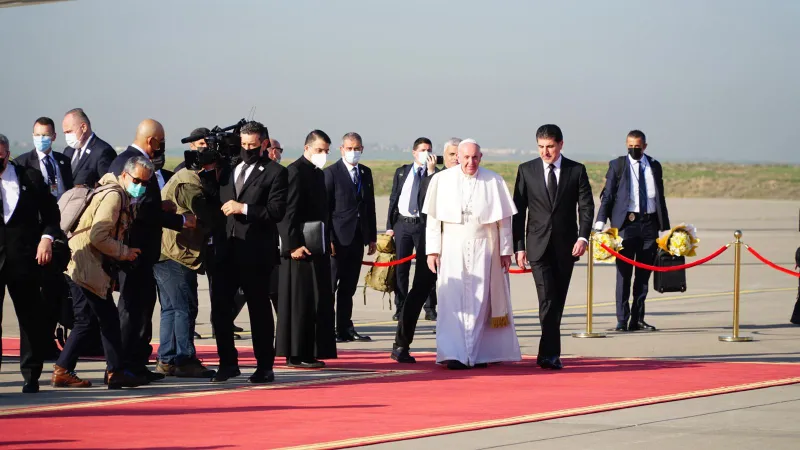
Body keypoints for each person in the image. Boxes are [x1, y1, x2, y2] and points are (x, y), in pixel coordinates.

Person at [51, 157, 155, 389]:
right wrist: (124, 252)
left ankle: (65, 369)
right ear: (125, 175)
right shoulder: (114, 196)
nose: (140, 186)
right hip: (87, 266)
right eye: (137, 180)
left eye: (145, 183)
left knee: (89, 320)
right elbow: (99, 236)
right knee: (105, 320)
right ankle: (112, 372)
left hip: (80, 263)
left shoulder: (109, 191)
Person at [108, 119, 195, 382]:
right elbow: (143, 210)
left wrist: (163, 205)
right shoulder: (137, 163)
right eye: (161, 141)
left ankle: (136, 363)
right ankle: (124, 365)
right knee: (134, 309)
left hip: (138, 249)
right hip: (136, 250)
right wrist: (180, 221)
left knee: (142, 309)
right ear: (152, 141)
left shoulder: (122, 158)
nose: (162, 147)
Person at [423, 139, 520, 369]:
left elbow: (504, 220)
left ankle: (477, 354)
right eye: (466, 157)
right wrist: (432, 251)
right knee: (452, 301)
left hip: (484, 248)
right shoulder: (442, 180)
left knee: (482, 301)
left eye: (475, 157)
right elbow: (434, 221)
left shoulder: (493, 180)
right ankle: (454, 354)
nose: (470, 162)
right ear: (458, 157)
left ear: (481, 157)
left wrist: (506, 251)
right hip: (452, 247)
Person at [210, 121, 287, 383]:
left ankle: (265, 365)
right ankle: (227, 363)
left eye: (252, 145)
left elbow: (276, 211)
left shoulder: (276, 172)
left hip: (256, 253)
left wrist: (243, 208)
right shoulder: (228, 169)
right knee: (220, 309)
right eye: (243, 145)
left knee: (259, 310)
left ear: (264, 144)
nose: (247, 150)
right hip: (227, 251)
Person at [513, 124, 594, 370]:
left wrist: (583, 238)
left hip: (566, 247)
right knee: (547, 298)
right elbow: (518, 212)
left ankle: (545, 352)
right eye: (540, 147)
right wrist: (519, 246)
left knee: (557, 300)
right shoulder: (526, 170)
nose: (545, 152)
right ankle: (550, 354)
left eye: (549, 146)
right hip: (537, 246)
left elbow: (586, 207)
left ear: (560, 144)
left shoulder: (576, 170)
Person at [0, 133, 60, 393]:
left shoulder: (29, 178)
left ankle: (31, 374)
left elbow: (51, 214)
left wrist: (47, 238)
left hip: (23, 258)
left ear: (8, 153)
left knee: (29, 317)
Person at [154, 147, 221, 378]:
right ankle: (184, 359)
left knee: (171, 308)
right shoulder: (189, 184)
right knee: (185, 308)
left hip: (164, 252)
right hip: (177, 254)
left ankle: (167, 358)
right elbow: (206, 214)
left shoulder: (180, 177)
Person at [392, 137, 460, 363]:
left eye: (461, 155)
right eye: (452, 155)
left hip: (460, 251)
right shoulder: (434, 179)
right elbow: (425, 210)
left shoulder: (471, 181)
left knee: (457, 299)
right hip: (431, 248)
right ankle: (401, 344)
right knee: (418, 293)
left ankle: (457, 348)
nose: (457, 159)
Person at [595, 130, 670, 332]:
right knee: (624, 274)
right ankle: (622, 319)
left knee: (643, 276)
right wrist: (600, 223)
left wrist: (665, 229)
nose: (633, 150)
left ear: (645, 146)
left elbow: (660, 198)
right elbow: (608, 196)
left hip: (649, 225)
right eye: (630, 146)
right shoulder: (617, 165)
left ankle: (637, 318)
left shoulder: (654, 166)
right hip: (627, 225)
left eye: (637, 146)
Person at [276, 130, 337, 368]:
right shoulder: (295, 172)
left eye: (326, 151)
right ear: (307, 148)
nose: (323, 155)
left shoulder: (317, 174)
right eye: (319, 150)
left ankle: (310, 351)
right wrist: (292, 245)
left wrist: (327, 238)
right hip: (299, 249)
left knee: (316, 300)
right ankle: (296, 354)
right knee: (300, 302)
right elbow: (287, 214)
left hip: (316, 245)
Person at [16, 117, 74, 359]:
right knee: (35, 293)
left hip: (62, 231)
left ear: (53, 137)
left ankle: (50, 339)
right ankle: (37, 344)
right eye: (37, 135)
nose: (41, 139)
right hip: (35, 235)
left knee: (55, 290)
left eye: (46, 135)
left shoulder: (63, 161)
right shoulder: (22, 164)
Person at [324, 132, 377, 342]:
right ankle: (326, 328)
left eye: (357, 148)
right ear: (341, 149)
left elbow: (370, 206)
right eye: (349, 148)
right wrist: (327, 237)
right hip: (337, 239)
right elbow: (325, 209)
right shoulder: (331, 173)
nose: (353, 152)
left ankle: (345, 327)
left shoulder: (365, 173)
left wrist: (372, 237)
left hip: (357, 237)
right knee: (330, 286)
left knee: (349, 287)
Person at [386, 138, 438, 321]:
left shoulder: (434, 174)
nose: (427, 153)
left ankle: (430, 307)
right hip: (402, 224)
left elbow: (433, 196)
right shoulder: (402, 172)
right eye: (423, 150)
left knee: (427, 268)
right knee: (401, 269)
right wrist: (389, 227)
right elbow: (394, 198)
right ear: (414, 152)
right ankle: (401, 307)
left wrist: (431, 172)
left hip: (422, 225)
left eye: (429, 150)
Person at [61, 108, 117, 187]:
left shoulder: (103, 151)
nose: (67, 136)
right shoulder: (68, 151)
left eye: (69, 132)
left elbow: (108, 187)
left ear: (83, 127)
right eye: (65, 133)